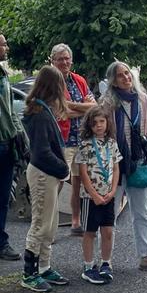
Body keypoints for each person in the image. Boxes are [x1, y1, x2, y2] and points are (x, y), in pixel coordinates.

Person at [101, 61, 147, 271]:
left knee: (142, 212)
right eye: (120, 75)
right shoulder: (107, 102)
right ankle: (105, 260)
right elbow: (102, 132)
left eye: (127, 73)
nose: (126, 77)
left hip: (138, 161)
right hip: (114, 163)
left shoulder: (142, 99)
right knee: (110, 214)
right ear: (113, 80)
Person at [21, 66, 70, 292]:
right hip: (43, 174)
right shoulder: (40, 114)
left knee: (50, 224)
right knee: (40, 224)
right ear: (54, 87)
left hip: (47, 173)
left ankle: (44, 267)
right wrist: (63, 169)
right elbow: (42, 153)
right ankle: (29, 273)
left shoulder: (41, 109)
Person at [50, 43, 96, 235]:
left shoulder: (79, 80)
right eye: (60, 59)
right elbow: (61, 113)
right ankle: (50, 228)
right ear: (53, 61)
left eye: (67, 58)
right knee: (57, 183)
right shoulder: (51, 83)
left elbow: (94, 107)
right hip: (63, 141)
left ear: (71, 60)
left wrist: (70, 105)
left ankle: (76, 223)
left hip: (81, 140)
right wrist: (81, 107)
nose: (64, 62)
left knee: (78, 183)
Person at [76, 106, 122, 284]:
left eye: (102, 121)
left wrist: (113, 190)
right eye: (94, 123)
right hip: (90, 197)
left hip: (108, 195)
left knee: (108, 231)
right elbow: (83, 173)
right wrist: (94, 194)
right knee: (90, 232)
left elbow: (116, 168)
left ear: (107, 122)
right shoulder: (85, 145)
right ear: (90, 125)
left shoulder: (112, 143)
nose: (99, 125)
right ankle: (88, 266)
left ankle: (106, 263)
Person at [0, 32, 27, 261]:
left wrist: (19, 134)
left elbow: (10, 111)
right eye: (3, 44)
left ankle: (1, 242)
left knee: (3, 198)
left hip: (7, 144)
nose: (6, 48)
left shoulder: (3, 75)